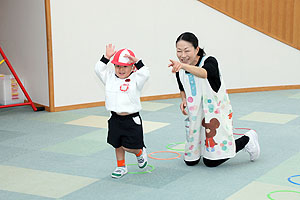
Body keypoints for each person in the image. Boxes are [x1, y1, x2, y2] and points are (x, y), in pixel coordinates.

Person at [168, 32, 260, 167]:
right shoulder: (180, 68)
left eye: (187, 51)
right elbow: (182, 86)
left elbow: (204, 73)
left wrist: (183, 66)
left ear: (197, 49)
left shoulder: (209, 61)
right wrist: (184, 100)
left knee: (212, 161)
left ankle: (247, 139)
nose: (182, 55)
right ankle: (204, 150)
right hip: (195, 113)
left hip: (215, 113)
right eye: (179, 51)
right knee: (190, 161)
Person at [95, 44, 150, 178]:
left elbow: (145, 73)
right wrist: (106, 57)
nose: (120, 69)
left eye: (125, 66)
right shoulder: (110, 78)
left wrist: (137, 61)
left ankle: (139, 152)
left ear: (132, 67)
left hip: (132, 119)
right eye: (118, 66)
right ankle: (121, 166)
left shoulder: (136, 79)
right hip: (115, 118)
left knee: (129, 146)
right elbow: (98, 69)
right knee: (117, 144)